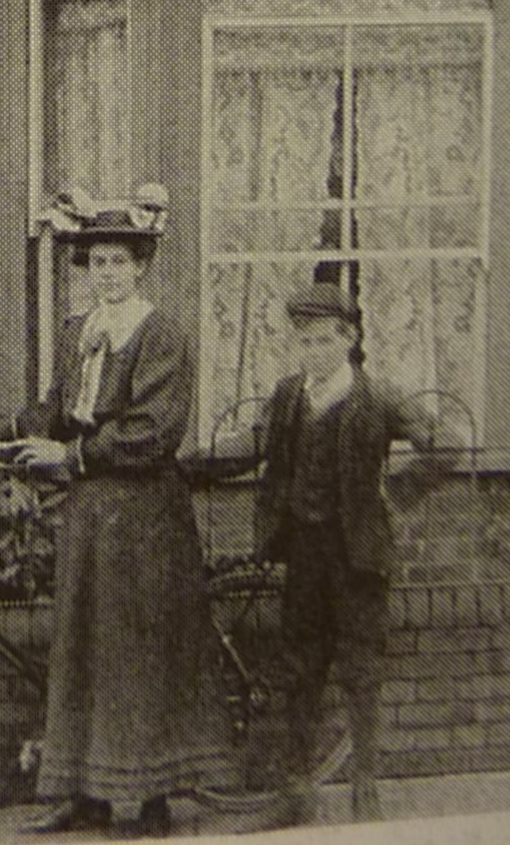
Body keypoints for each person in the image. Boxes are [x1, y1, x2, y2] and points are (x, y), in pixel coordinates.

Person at [0, 188, 233, 839]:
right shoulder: (81, 332)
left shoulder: (161, 334)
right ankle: (83, 792)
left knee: (134, 651)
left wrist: (72, 456)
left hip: (143, 514)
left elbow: (154, 432)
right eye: (97, 262)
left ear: (140, 265)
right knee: (81, 646)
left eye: (118, 261)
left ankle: (149, 799)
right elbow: (53, 411)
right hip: (89, 514)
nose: (106, 273)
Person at [191, 279, 449, 827]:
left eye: (323, 341)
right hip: (304, 552)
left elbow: (445, 445)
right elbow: (252, 446)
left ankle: (365, 791)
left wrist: (395, 494)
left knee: (360, 670)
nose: (312, 351)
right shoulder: (288, 395)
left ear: (349, 339)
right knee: (300, 668)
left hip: (358, 556)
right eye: (303, 341)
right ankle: (297, 792)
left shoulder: (378, 396)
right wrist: (189, 464)